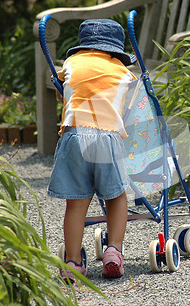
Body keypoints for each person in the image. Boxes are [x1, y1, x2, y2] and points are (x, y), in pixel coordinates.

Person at [47, 19, 137, 282]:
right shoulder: (123, 72)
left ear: (83, 47)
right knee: (116, 197)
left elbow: (63, 94)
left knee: (76, 203)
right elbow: (129, 105)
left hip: (75, 134)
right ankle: (113, 251)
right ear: (115, 51)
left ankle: (73, 262)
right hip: (108, 137)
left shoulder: (71, 65)